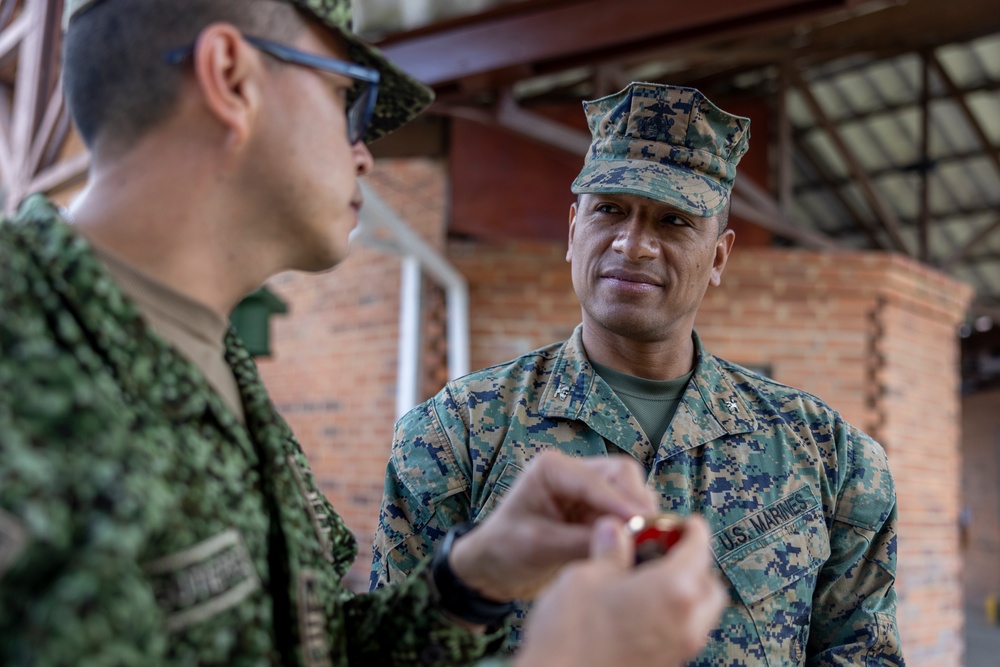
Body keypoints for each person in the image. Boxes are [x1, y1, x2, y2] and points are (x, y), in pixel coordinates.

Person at [0, 0, 729, 665]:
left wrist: (469, 583)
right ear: (231, 76)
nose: (365, 153)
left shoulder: (211, 367)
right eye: (350, 97)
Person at [372, 82, 904, 664]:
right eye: (610, 209)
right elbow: (392, 651)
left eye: (674, 221)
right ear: (574, 230)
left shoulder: (828, 453)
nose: (634, 244)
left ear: (719, 256)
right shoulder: (457, 434)